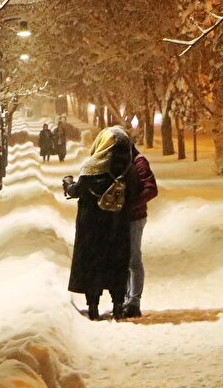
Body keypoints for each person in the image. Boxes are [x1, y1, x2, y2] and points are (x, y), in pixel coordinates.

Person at [63, 127, 137, 320]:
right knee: (116, 263)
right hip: (117, 224)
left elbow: (77, 190)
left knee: (93, 263)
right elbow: (135, 192)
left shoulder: (92, 166)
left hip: (92, 226)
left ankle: (93, 307)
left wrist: (68, 184)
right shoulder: (128, 168)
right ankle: (118, 305)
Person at [123, 146, 158, 318]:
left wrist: (131, 205)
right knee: (124, 259)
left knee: (133, 260)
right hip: (124, 217)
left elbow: (151, 189)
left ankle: (134, 302)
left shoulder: (139, 162)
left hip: (135, 217)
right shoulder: (125, 161)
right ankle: (125, 299)